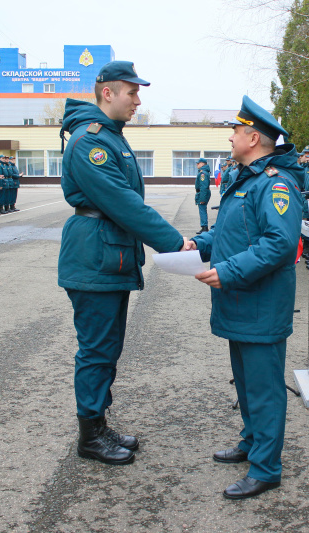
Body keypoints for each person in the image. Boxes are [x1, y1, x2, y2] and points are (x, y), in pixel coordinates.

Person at [58, 61, 188, 466]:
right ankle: (90, 436)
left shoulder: (111, 137)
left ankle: (98, 423)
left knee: (107, 347)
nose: (138, 100)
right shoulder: (92, 141)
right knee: (96, 349)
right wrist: (172, 242)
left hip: (107, 255)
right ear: (107, 93)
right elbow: (122, 202)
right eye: (131, 92)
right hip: (95, 256)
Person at [188, 95, 303, 500]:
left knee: (264, 387)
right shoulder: (246, 179)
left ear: (253, 137)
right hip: (242, 301)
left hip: (260, 302)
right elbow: (231, 234)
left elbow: (280, 243)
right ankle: (252, 442)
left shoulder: (275, 183)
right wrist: (196, 244)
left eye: (235, 131)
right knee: (246, 381)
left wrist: (229, 271)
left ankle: (267, 468)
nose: (232, 137)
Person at [194, 157, 211, 234]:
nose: (197, 164)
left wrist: (202, 198)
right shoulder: (202, 172)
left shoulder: (203, 173)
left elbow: (204, 186)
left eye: (198, 163)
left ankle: (204, 227)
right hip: (202, 192)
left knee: (202, 209)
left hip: (202, 193)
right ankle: (204, 227)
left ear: (202, 164)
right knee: (202, 209)